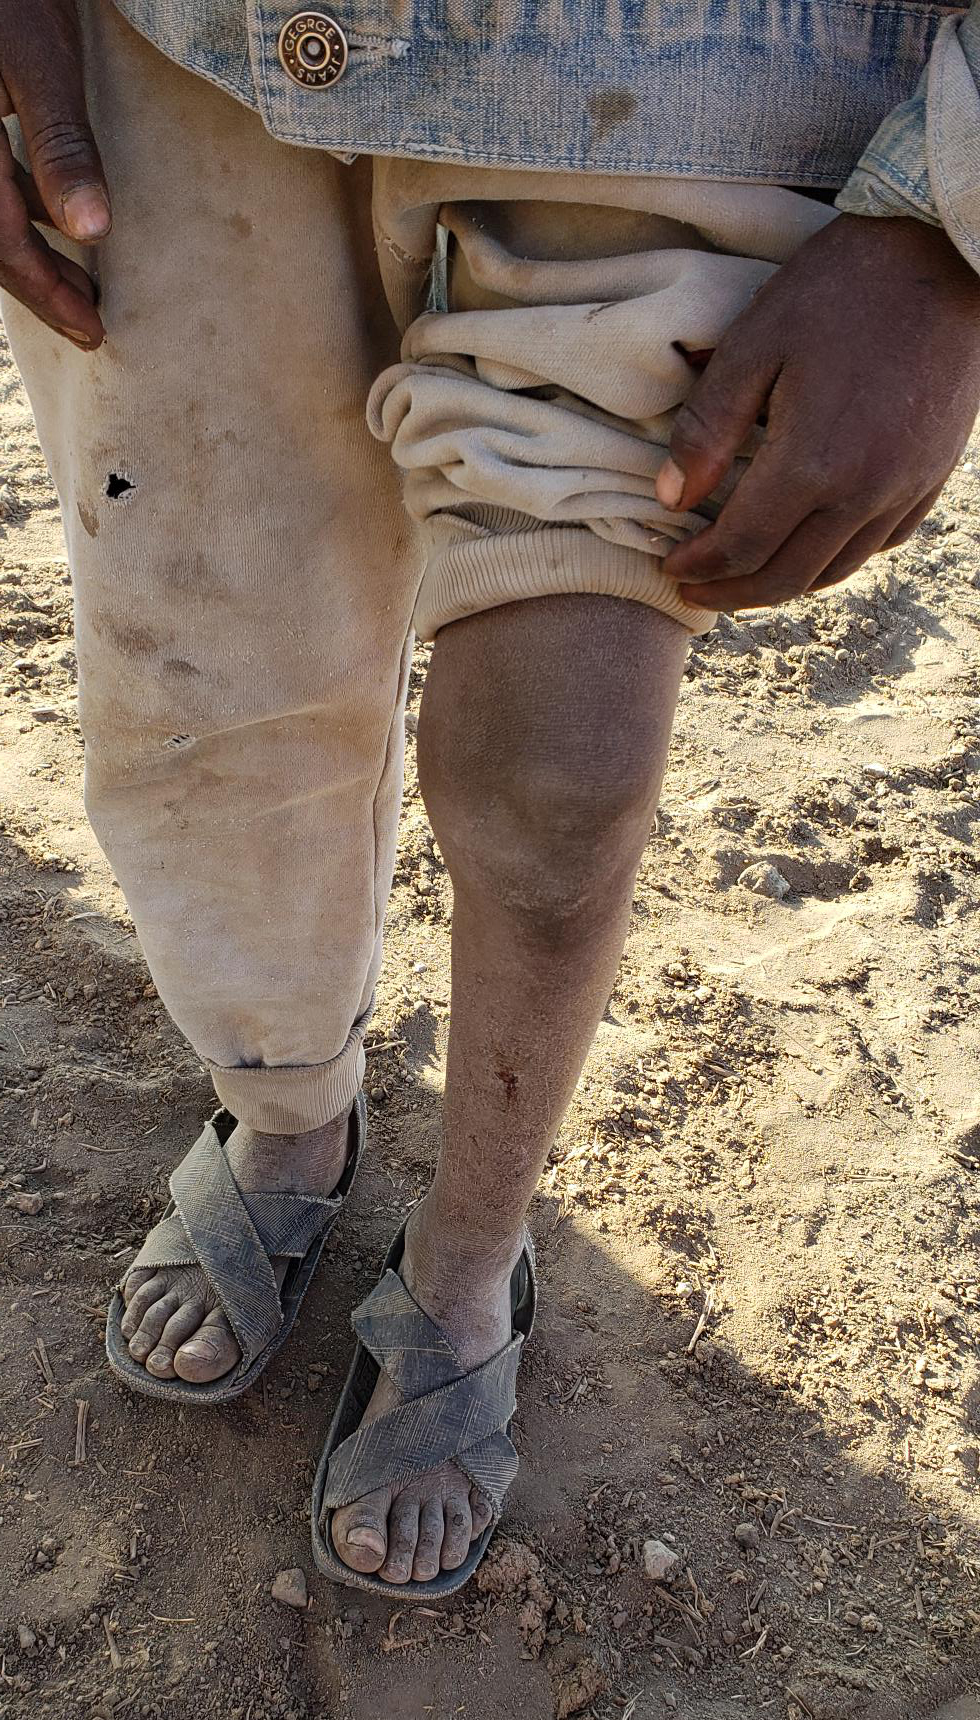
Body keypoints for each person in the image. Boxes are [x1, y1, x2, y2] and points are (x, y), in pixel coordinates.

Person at [2, 0, 978, 1597]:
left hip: (684, 63)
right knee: (210, 664)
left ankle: (466, 1271)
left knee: (558, 781)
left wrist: (949, 222)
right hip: (175, 39)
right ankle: (288, 1115)